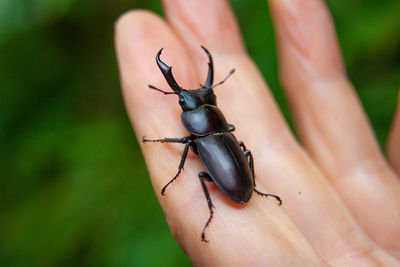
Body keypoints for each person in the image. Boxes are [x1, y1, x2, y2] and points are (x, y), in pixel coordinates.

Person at [114, 0, 400, 265]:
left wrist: (169, 155)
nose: (196, 97)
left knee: (203, 171)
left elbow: (189, 144)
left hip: (236, 184)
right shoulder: (224, 132)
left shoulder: (203, 138)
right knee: (236, 151)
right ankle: (234, 197)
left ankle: (215, 208)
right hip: (237, 177)